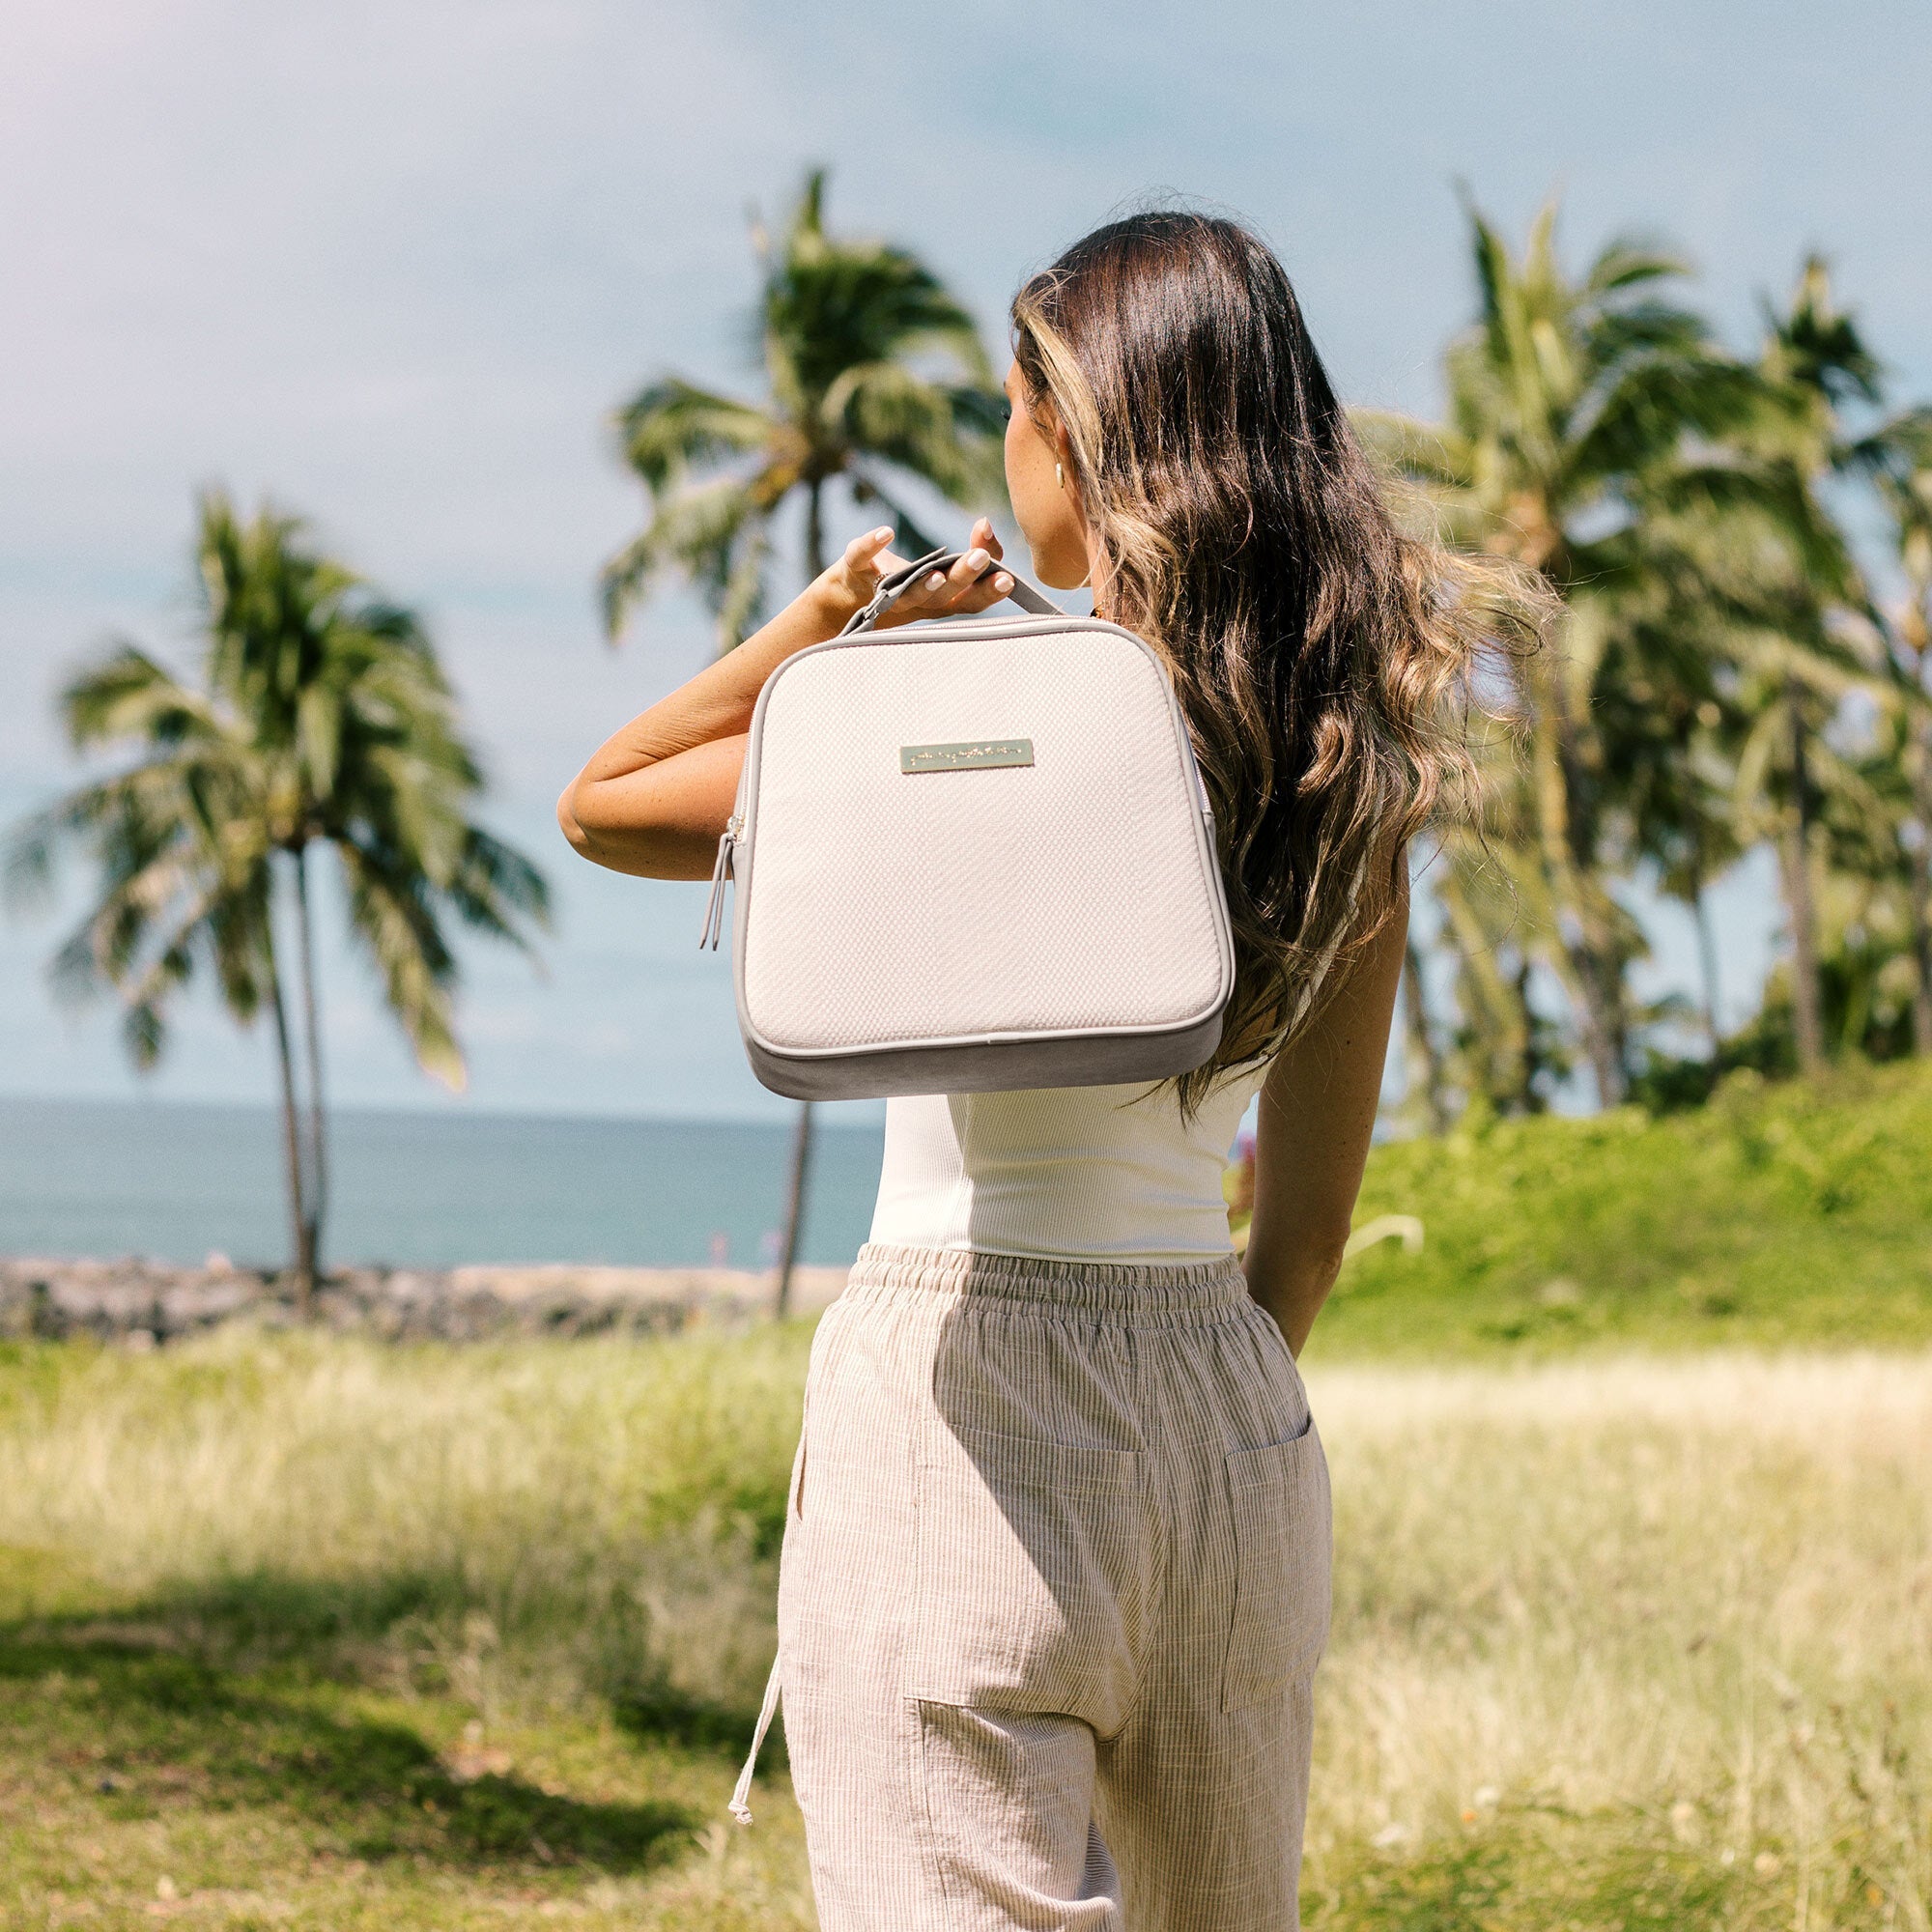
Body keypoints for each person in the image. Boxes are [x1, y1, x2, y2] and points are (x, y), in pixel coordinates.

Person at [560, 209, 1524, 1932]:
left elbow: (607, 800)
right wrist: (1182, 1413)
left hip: (962, 1398)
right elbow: (1301, 1237)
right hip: (1230, 1431)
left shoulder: (954, 730)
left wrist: (835, 626)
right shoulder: (1336, 766)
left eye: (1015, 411)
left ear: (1076, 434)